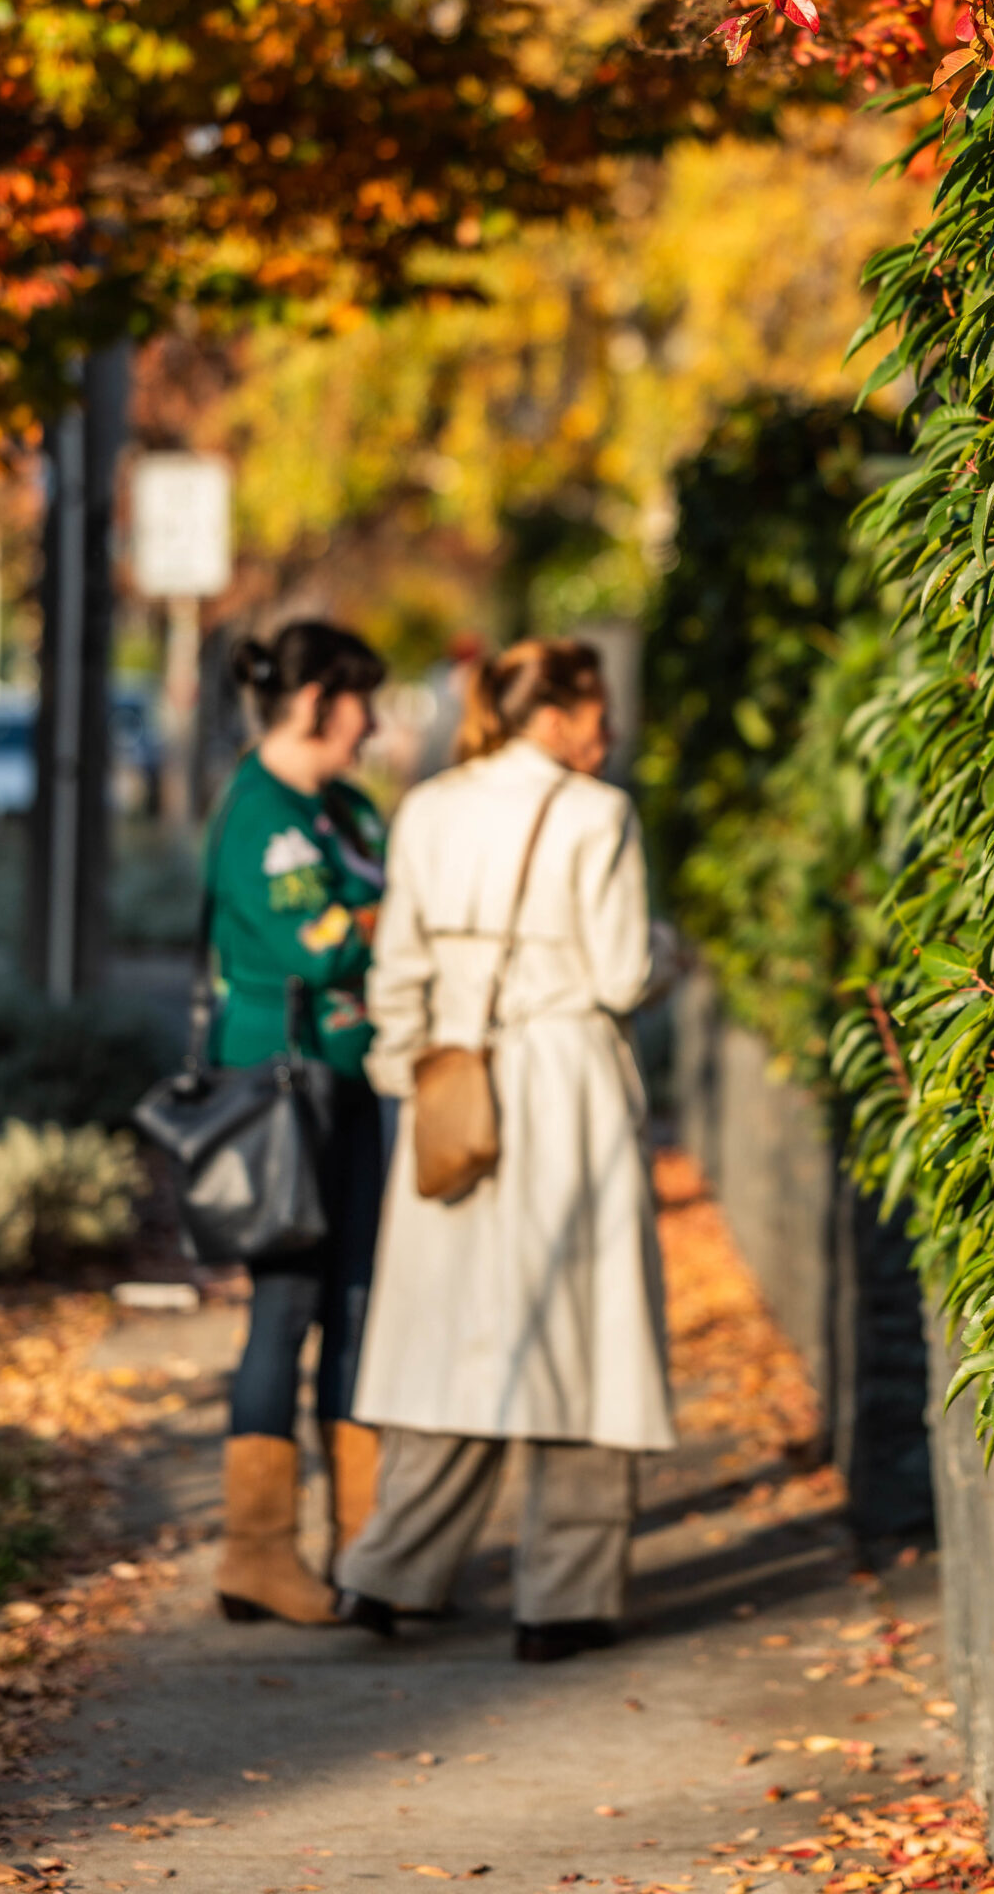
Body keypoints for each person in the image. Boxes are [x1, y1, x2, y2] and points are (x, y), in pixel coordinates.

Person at [336, 637, 676, 1661]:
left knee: (448, 1331)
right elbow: (618, 972)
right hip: (563, 1076)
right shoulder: (595, 812)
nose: (604, 729)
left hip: (455, 1077)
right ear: (562, 710)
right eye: (595, 708)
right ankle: (562, 1599)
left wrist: (408, 1068)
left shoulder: (429, 805)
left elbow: (394, 963)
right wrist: (669, 949)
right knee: (583, 1331)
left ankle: (390, 1572)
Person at [208, 619, 390, 1626]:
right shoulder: (259, 815)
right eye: (361, 700)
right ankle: (256, 1554)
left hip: (353, 1086)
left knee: (358, 1304)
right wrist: (381, 925)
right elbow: (317, 942)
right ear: (320, 700)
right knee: (284, 1310)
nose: (371, 723)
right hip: (281, 1095)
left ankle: (363, 1549)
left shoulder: (347, 812)